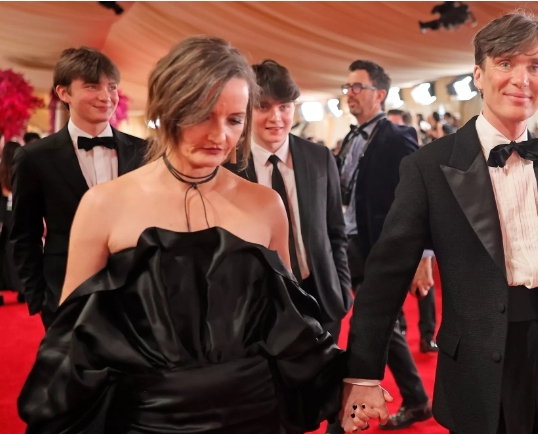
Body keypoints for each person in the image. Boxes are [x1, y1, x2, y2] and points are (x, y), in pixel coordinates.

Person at [340, 12, 538, 434]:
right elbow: (385, 277)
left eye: (535, 67)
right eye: (506, 63)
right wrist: (363, 374)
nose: (522, 79)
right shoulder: (430, 166)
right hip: (480, 351)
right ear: (478, 76)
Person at [18, 36, 344, 434]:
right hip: (150, 421)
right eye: (202, 115)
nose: (219, 135)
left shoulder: (266, 204)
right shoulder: (104, 205)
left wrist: (354, 378)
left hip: (257, 413)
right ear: (167, 110)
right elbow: (76, 344)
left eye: (234, 120)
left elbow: (289, 325)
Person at [10, 46, 147, 329]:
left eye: (112, 87)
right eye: (92, 86)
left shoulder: (143, 151)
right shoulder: (35, 157)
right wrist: (39, 299)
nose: (106, 97)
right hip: (65, 294)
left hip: (135, 295)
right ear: (64, 93)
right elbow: (25, 234)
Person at [226, 59, 352, 344]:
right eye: (263, 107)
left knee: (326, 384)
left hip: (323, 295)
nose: (276, 117)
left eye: (284, 106)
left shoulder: (320, 158)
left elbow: (336, 231)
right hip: (261, 303)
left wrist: (342, 290)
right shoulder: (230, 166)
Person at [335, 60, 432, 430]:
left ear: (380, 94)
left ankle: (417, 399)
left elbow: (420, 195)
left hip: (378, 246)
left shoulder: (397, 136)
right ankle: (414, 398)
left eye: (357, 87)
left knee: (378, 324)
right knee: (378, 324)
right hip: (351, 242)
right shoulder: (350, 137)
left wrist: (424, 253)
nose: (350, 94)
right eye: (347, 87)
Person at [386, 109, 439, 352]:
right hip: (390, 235)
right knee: (393, 287)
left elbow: (430, 207)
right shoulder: (382, 163)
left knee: (425, 289)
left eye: (396, 127)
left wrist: (426, 253)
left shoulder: (423, 163)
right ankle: (400, 328)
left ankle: (428, 335)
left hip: (419, 238)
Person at [0, 141, 23, 305]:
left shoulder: (1, 175)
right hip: (18, 217)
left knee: (2, 256)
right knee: (20, 253)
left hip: (3, 219)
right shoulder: (23, 172)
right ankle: (23, 290)